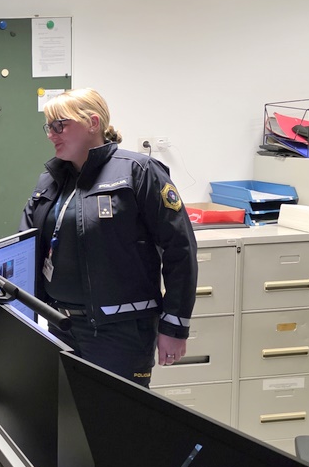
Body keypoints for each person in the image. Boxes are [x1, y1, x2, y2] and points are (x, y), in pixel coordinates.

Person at [21, 88, 198, 388]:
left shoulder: (138, 172)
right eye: (48, 127)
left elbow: (180, 249)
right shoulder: (51, 180)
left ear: (92, 123)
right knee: (68, 412)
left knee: (116, 415)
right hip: (61, 326)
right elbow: (26, 244)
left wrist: (175, 326)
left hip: (120, 332)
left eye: (59, 125)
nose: (51, 135)